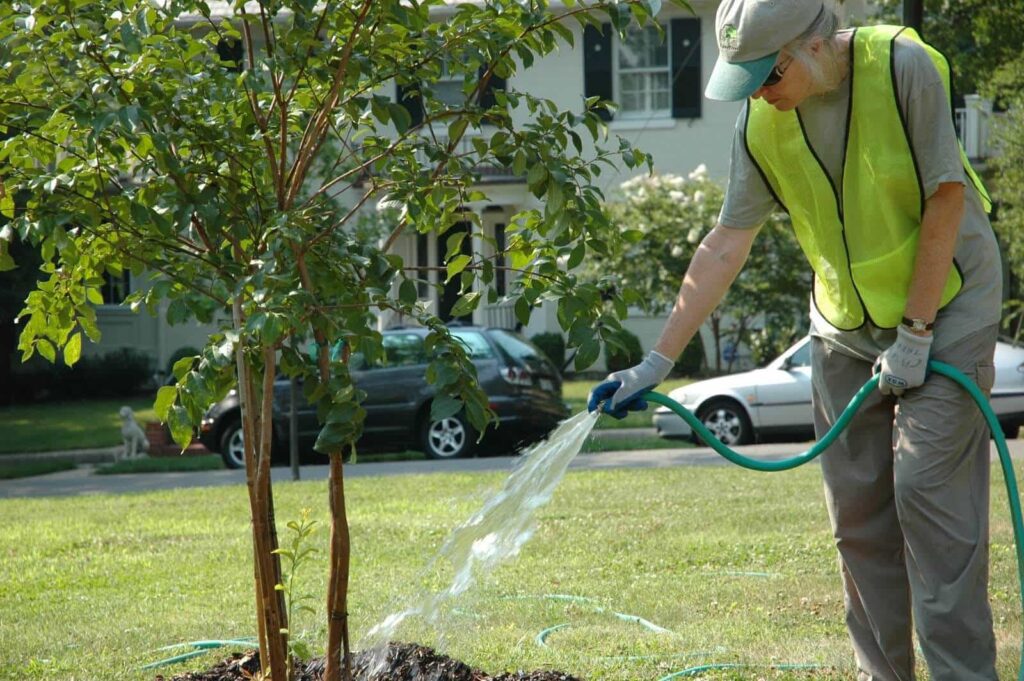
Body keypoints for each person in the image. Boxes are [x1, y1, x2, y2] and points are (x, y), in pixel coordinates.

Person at [587, 0, 1002, 679]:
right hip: (844, 326)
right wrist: (656, 361)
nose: (758, 94)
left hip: (949, 302)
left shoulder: (904, 66)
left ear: (812, 44)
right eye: (746, 82)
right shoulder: (760, 124)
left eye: (767, 76)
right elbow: (727, 242)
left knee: (928, 495)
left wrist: (917, 330)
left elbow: (946, 196)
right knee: (856, 516)